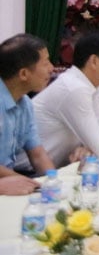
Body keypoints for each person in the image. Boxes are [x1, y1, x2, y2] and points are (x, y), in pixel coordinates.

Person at [31, 32, 99, 167]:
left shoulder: (88, 86)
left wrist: (88, 147)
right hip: (28, 174)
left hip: (55, 168)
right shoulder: (74, 88)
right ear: (94, 62)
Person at [0, 34, 55, 191]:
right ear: (23, 74)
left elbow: (37, 154)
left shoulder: (25, 103)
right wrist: (24, 181)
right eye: (45, 63)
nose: (52, 68)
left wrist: (53, 181)